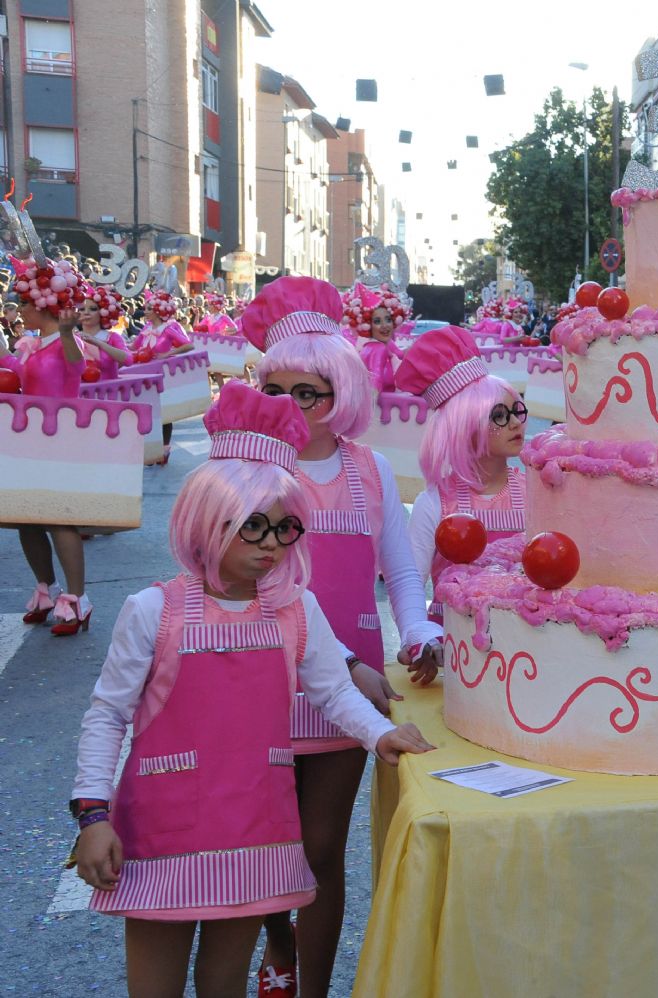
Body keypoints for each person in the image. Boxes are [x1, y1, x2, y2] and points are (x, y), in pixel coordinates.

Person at [68, 382, 434, 998]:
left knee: (224, 981)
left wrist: (379, 734)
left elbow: (332, 691)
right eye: (254, 527)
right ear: (210, 520)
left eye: (286, 529)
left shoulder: (296, 610)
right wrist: (92, 815)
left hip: (255, 831)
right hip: (163, 834)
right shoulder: (151, 610)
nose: (271, 544)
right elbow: (107, 716)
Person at [242, 277, 443, 997]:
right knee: (266, 846)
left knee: (322, 848)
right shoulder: (250, 468)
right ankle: (278, 944)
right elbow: (252, 580)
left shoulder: (374, 470)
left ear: (344, 390)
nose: (297, 405)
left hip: (342, 697)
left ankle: (311, 986)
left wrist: (417, 631)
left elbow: (400, 570)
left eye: (313, 389)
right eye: (281, 389)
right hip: (258, 678)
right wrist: (354, 660)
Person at [398, 326, 528, 621]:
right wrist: (421, 637)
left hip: (523, 651)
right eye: (498, 416)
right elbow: (410, 584)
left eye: (516, 411)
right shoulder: (434, 504)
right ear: (464, 426)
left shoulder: (536, 492)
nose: (515, 424)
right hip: (452, 651)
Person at [7, 255, 92, 636]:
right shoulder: (32, 344)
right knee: (25, 518)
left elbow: (76, 367)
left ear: (42, 305)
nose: (20, 309)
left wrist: (69, 331)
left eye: (24, 303)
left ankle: (78, 599)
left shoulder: (65, 345)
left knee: (59, 517)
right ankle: (46, 588)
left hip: (61, 439)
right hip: (28, 439)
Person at [134, 290, 195, 461]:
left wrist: (168, 354)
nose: (144, 311)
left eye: (148, 308)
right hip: (144, 374)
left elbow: (189, 345)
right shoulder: (145, 329)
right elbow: (133, 347)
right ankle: (150, 449)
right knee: (147, 411)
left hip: (162, 375)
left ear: (158, 311)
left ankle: (164, 448)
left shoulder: (169, 329)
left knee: (163, 412)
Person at [343, 283, 410, 393]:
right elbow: (374, 384)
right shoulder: (378, 348)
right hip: (381, 408)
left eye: (388, 319)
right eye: (377, 321)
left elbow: (400, 354)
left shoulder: (385, 344)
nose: (385, 325)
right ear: (368, 324)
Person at [76, 284, 135, 381]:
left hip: (109, 393)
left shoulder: (112, 337)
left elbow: (128, 360)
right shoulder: (73, 338)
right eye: (82, 309)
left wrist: (98, 342)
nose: (86, 313)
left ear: (104, 312)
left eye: (93, 309)